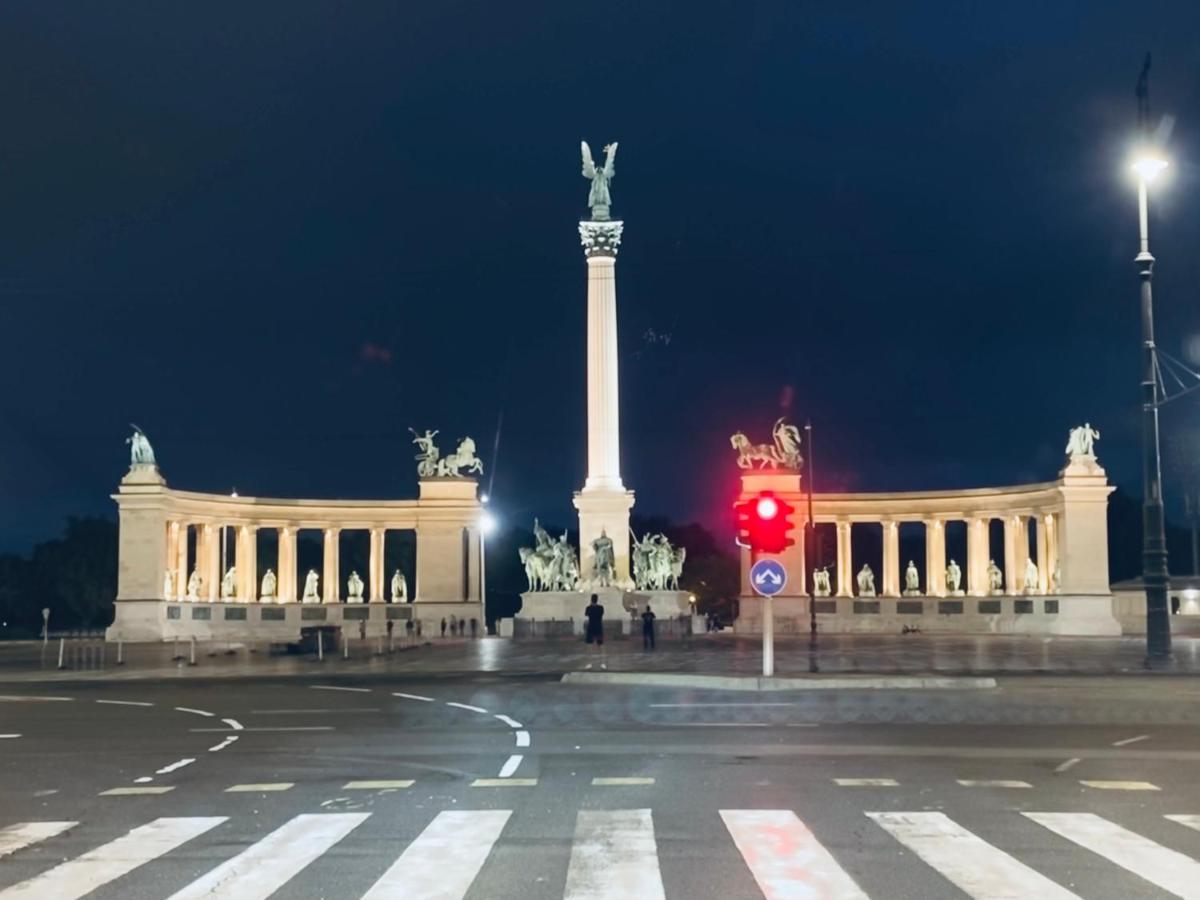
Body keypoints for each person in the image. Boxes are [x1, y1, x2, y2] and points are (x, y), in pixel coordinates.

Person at [583, 594, 606, 669]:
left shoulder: (588, 608)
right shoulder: (600, 608)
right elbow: (602, 613)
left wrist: (590, 605)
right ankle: (602, 663)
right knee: (601, 646)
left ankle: (589, 663)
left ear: (591, 599)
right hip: (598, 627)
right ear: (597, 599)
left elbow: (586, 614)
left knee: (589, 646)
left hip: (591, 627)